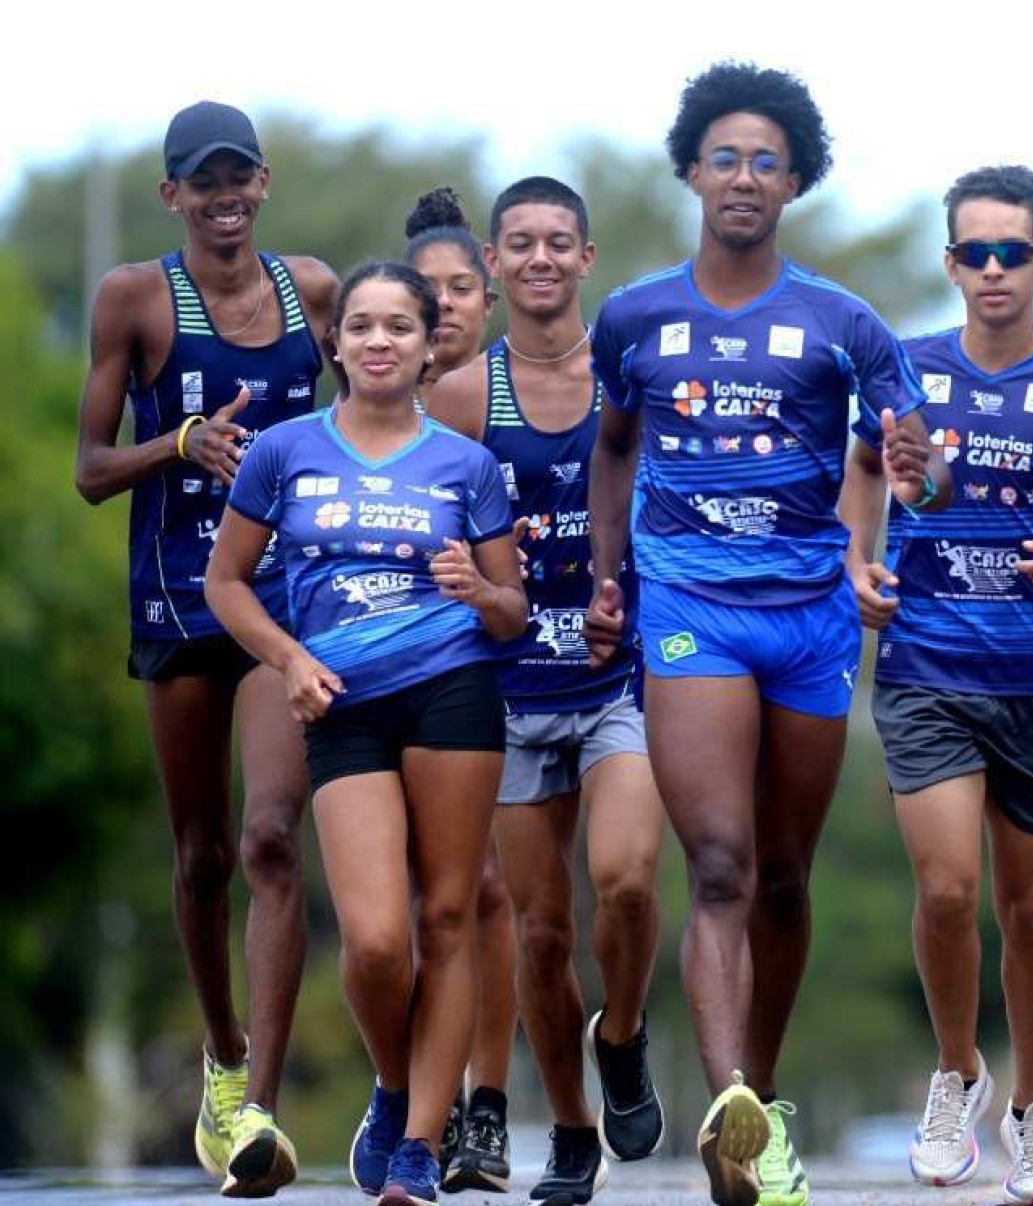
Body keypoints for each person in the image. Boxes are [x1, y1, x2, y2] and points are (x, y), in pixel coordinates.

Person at [584, 62, 943, 1206]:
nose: (744, 177)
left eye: (768, 162)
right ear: (693, 171)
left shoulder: (845, 323)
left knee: (785, 877)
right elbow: (612, 448)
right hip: (691, 609)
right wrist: (607, 577)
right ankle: (729, 1099)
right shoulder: (634, 316)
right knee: (724, 864)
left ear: (796, 184)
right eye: (726, 157)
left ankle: (764, 1105)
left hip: (810, 620)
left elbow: (913, 467)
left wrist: (914, 484)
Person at [206, 260, 528, 1206]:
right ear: (335, 344)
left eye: (399, 327)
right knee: (379, 940)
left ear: (430, 347)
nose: (379, 341)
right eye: (361, 326)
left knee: (448, 916)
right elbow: (227, 584)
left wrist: (483, 591)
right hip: (340, 699)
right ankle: (393, 1084)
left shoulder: (466, 466)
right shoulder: (283, 451)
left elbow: (512, 609)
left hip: (453, 692)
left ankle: (420, 1145)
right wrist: (290, 661)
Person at [843, 164, 1033, 1205]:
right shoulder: (910, 370)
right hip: (925, 666)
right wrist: (858, 563)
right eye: (976, 251)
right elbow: (869, 474)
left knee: (1030, 901)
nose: (995, 269)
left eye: (1015, 251)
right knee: (948, 888)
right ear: (951, 263)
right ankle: (957, 1071)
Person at [72, 100, 335, 1198]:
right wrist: (180, 441)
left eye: (241, 175)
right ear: (174, 194)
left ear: (263, 183)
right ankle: (222, 1060)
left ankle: (259, 1110)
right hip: (178, 604)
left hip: (280, 606)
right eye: (202, 179)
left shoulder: (310, 292)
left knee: (274, 839)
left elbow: (374, 393)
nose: (225, 194)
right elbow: (88, 468)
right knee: (204, 855)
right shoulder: (135, 299)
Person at [426, 175, 670, 1206]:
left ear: (587, 259)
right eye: (517, 242)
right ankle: (572, 1132)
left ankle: (620, 1033)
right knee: (539, 931)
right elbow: (428, 552)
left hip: (621, 678)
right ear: (491, 264)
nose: (536, 259)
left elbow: (678, 509)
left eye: (556, 243)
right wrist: (486, 585)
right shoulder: (456, 398)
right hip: (513, 693)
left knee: (622, 877)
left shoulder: (636, 381)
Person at [401, 186, 524, 1196]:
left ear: (487, 297)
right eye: (422, 292)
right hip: (393, 680)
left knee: (487, 893)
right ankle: (409, 1099)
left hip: (522, 670)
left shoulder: (517, 390)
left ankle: (484, 1105)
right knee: (416, 904)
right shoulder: (366, 400)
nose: (442, 309)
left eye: (458, 290)